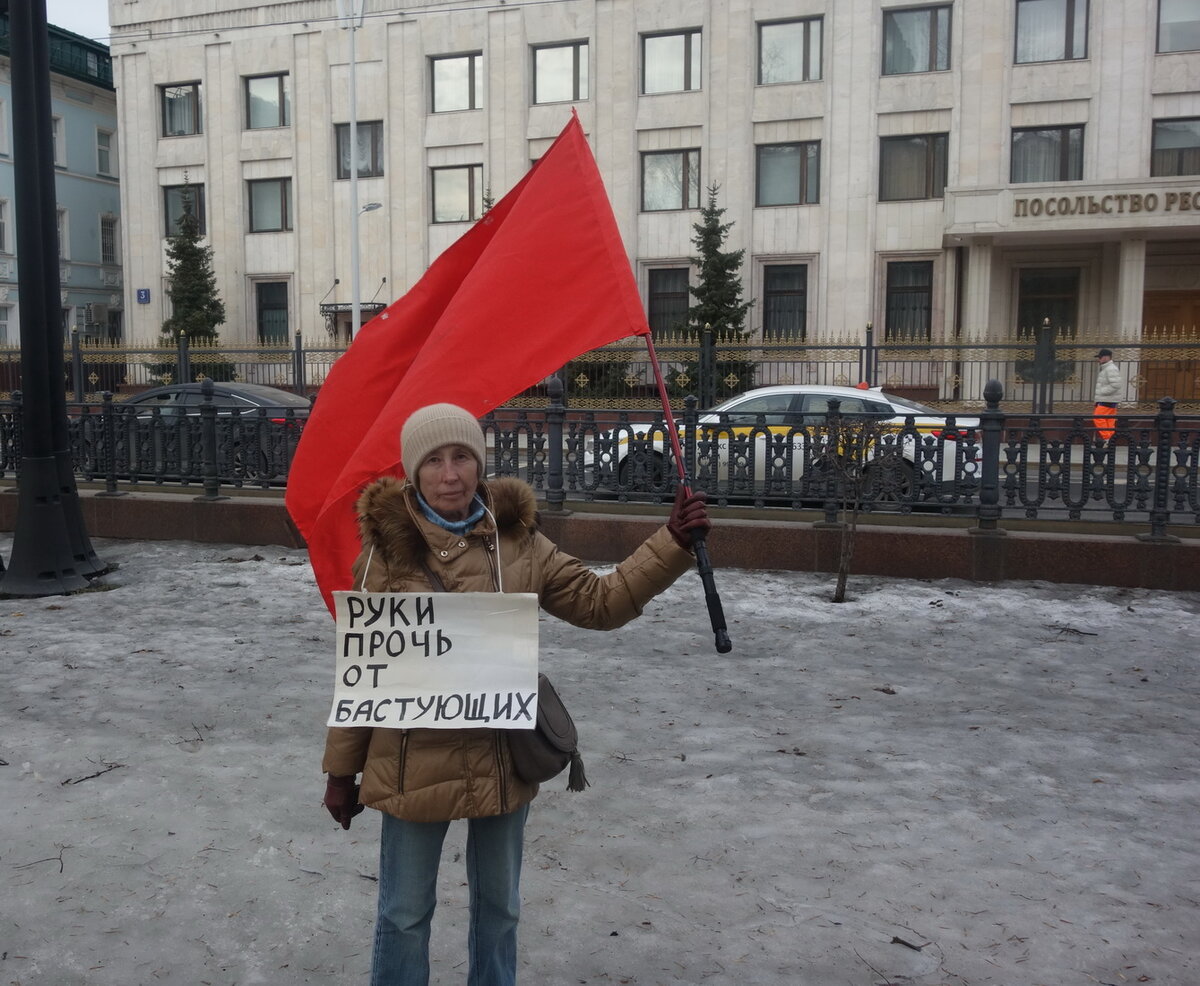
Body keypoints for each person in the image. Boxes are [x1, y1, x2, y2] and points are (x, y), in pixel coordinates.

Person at [321, 403, 711, 986]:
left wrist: (671, 543)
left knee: (500, 913)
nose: (450, 474)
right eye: (434, 461)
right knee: (403, 916)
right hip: (410, 761)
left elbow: (600, 603)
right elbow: (365, 670)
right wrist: (340, 772)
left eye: (462, 458)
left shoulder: (522, 542)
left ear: (480, 464)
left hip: (502, 755)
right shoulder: (384, 554)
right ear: (413, 471)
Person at [1093, 348, 1121, 441]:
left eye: (1100, 357)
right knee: (1109, 421)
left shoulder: (1110, 369)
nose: (1099, 359)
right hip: (1110, 400)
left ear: (1106, 357)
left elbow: (1116, 385)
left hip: (1107, 399)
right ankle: (1111, 440)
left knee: (1098, 417)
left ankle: (1107, 438)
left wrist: (1102, 391)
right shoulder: (1108, 368)